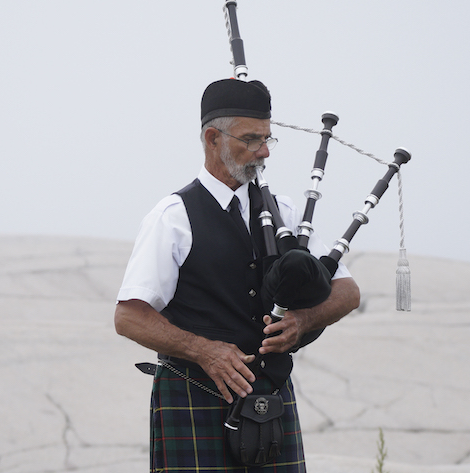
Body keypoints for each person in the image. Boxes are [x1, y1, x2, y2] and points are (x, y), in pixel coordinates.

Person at [114, 78, 360, 472]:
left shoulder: (284, 211)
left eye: (267, 138)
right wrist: (204, 351)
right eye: (250, 139)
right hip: (193, 397)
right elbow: (129, 317)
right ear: (212, 139)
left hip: (270, 399)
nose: (264, 151)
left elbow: (347, 291)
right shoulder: (172, 218)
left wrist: (304, 321)